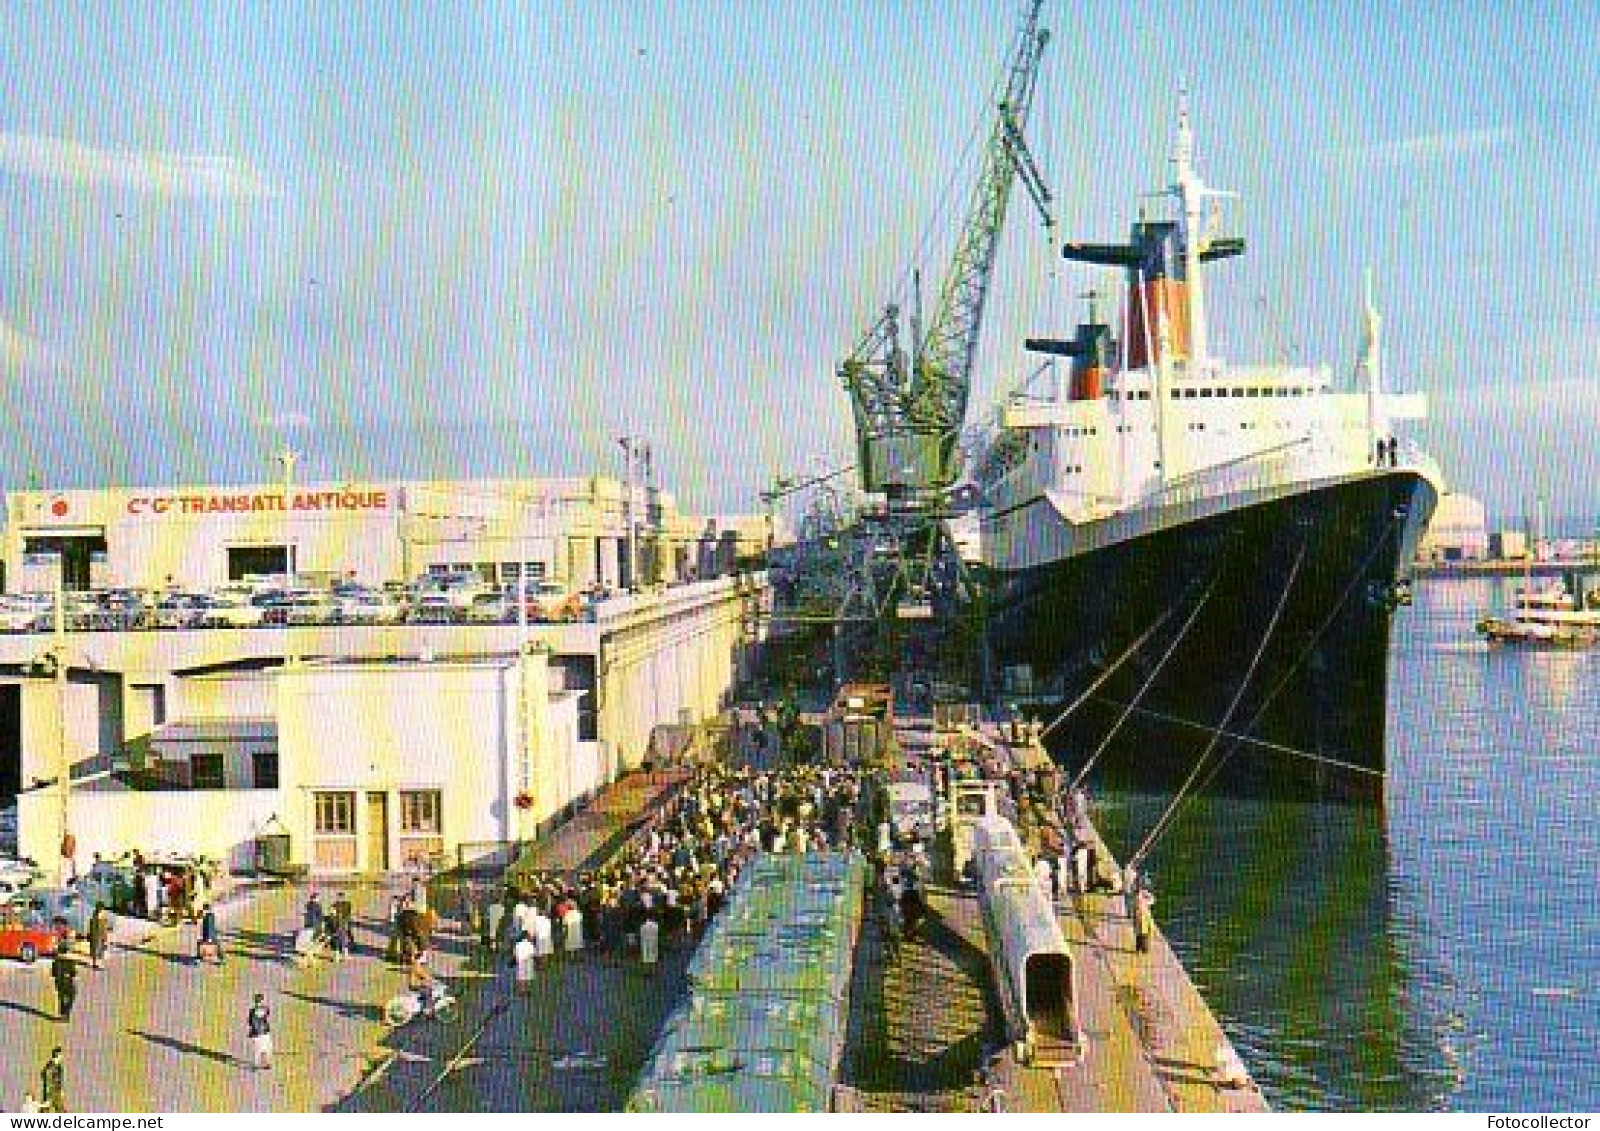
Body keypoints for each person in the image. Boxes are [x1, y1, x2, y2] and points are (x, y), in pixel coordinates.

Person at [51, 946, 78, 1021]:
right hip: (68, 982)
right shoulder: (70, 962)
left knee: (62, 998)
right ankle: (66, 1015)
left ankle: (63, 1014)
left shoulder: (56, 962)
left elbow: (53, 974)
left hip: (59, 982)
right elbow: (74, 974)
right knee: (71, 997)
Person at [246, 994, 273, 1070]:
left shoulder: (258, 1010)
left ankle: (265, 1063)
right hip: (259, 1032)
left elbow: (250, 1021)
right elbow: (251, 1022)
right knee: (261, 1049)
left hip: (262, 1032)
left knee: (266, 1048)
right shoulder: (255, 1011)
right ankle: (258, 1064)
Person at [39, 1049, 65, 1113]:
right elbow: (47, 1083)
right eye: (61, 1055)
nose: (62, 1057)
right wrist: (47, 1098)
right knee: (45, 1110)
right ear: (57, 1055)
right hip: (51, 1092)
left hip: (56, 1092)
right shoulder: (50, 1068)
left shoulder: (58, 1067)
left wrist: (60, 1090)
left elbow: (59, 1080)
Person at [87, 904, 111, 970]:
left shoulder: (102, 915)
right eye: (101, 908)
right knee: (95, 949)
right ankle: (95, 963)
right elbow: (93, 926)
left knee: (101, 949)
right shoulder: (95, 916)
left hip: (101, 934)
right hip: (96, 935)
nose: (102, 909)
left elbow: (105, 925)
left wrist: (106, 934)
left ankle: (98, 963)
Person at [1133, 885, 1156, 954]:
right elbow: (1151, 901)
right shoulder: (1138, 898)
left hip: (1144, 915)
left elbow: (1152, 900)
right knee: (1142, 932)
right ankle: (1143, 948)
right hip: (1142, 915)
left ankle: (1141, 948)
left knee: (1144, 931)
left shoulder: (1139, 897)